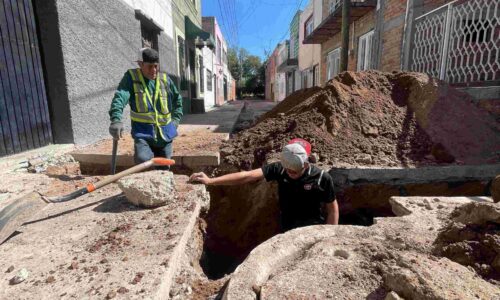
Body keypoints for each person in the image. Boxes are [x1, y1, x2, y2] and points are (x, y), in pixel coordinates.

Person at [189, 139, 339, 232]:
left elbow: (332, 210)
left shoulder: (321, 178)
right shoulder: (279, 169)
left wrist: (329, 235)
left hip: (312, 229)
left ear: (306, 165)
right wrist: (211, 181)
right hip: (287, 228)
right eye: (287, 170)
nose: (290, 174)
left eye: (294, 172)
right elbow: (246, 176)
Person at [108, 47, 183, 164]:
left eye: (156, 66)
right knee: (143, 162)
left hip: (165, 135)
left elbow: (177, 100)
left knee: (164, 168)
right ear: (140, 64)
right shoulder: (131, 78)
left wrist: (176, 120)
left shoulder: (165, 79)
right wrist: (116, 119)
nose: (153, 70)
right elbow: (120, 97)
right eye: (149, 66)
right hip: (143, 134)